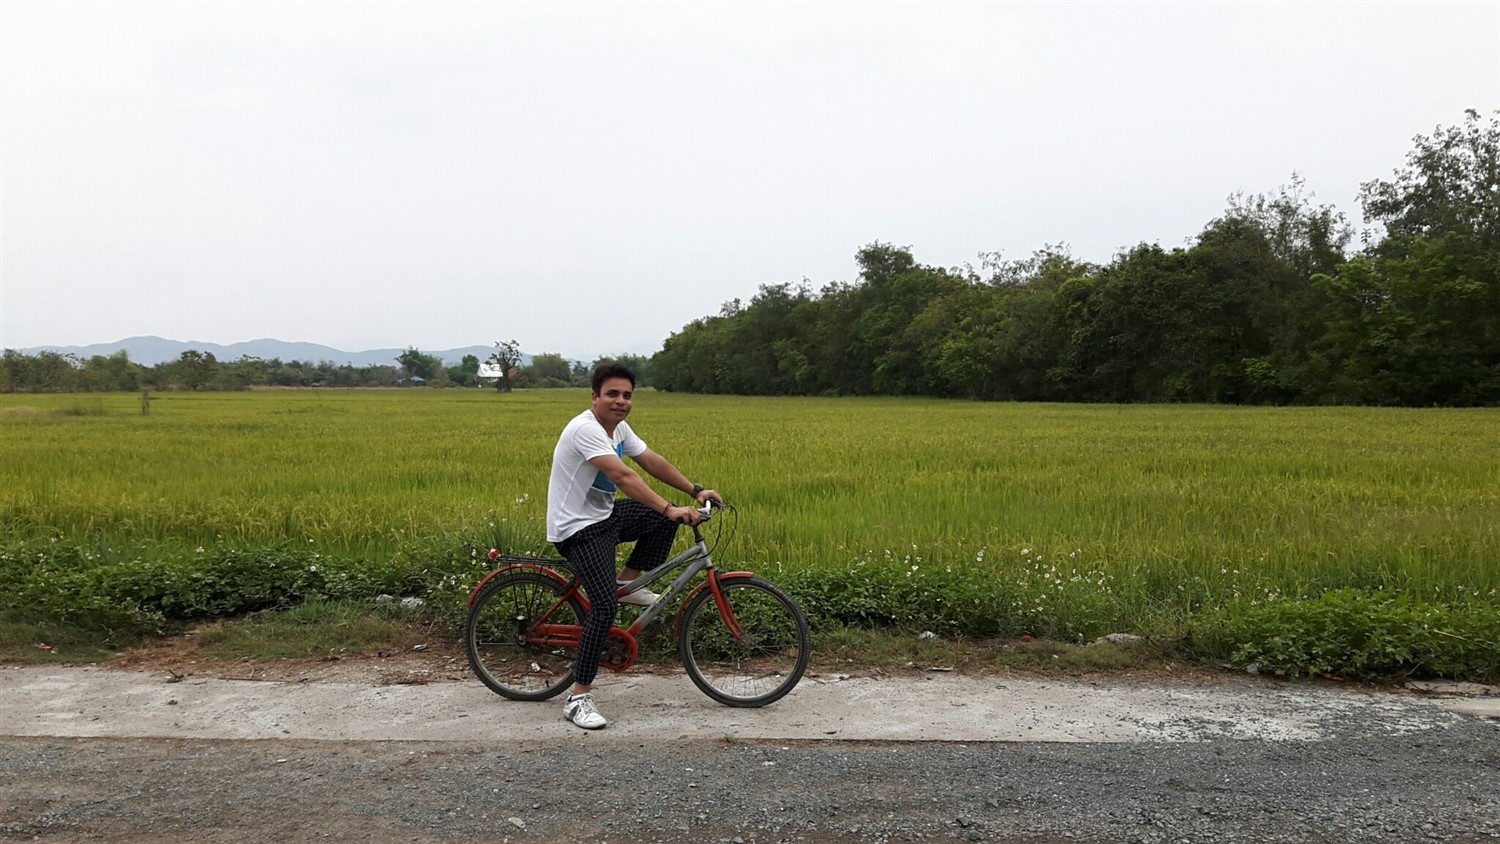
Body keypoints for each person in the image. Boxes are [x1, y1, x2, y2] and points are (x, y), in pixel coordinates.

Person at [546, 362, 722, 729]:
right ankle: (578, 697)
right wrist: (670, 507)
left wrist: (694, 490)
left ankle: (625, 584)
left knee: (659, 520)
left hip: (604, 516)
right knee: (603, 607)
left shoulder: (619, 428)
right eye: (612, 394)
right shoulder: (585, 430)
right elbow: (623, 476)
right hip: (577, 528)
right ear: (594, 397)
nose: (621, 401)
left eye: (627, 395)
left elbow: (650, 460)